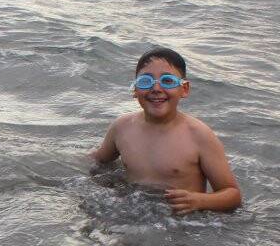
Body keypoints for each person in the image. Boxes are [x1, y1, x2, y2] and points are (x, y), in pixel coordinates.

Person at [89, 48, 242, 215]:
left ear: (184, 89)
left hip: (181, 223)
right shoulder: (122, 127)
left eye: (167, 81)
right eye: (145, 81)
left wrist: (199, 200)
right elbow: (98, 161)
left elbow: (232, 195)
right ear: (135, 90)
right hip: (132, 212)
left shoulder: (199, 136)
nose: (156, 88)